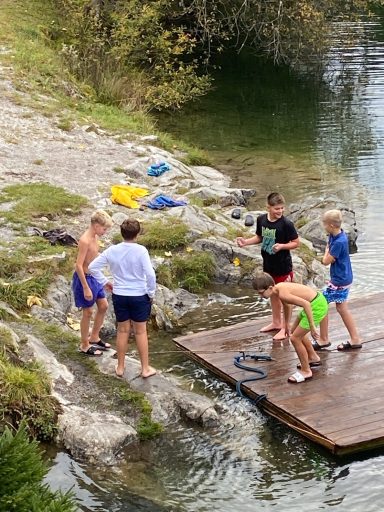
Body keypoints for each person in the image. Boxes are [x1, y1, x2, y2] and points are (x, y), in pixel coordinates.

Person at [88, 219, 156, 378]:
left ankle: (120, 367)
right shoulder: (141, 251)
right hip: (139, 295)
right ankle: (145, 369)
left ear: (121, 233)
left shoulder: (112, 250)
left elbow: (92, 268)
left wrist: (105, 282)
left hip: (120, 295)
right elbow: (150, 275)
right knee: (140, 332)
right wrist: (150, 293)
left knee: (122, 330)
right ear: (137, 234)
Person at [236, 192, 299, 340]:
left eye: (282, 208)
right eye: (277, 209)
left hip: (283, 267)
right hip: (268, 266)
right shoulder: (261, 220)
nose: (280, 211)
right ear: (268, 207)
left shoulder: (286, 224)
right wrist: (246, 242)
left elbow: (296, 243)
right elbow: (259, 237)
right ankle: (276, 323)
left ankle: (285, 328)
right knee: (273, 296)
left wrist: (283, 246)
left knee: (284, 298)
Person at [252, 272, 328, 384]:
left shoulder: (282, 294)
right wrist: (286, 325)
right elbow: (287, 306)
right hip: (316, 301)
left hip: (316, 306)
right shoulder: (279, 288)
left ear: (270, 287)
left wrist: (312, 327)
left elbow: (306, 304)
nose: (261, 296)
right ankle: (313, 357)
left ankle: (306, 371)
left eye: (261, 293)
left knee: (295, 338)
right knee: (294, 332)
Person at [314, 209, 362, 351]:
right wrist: (328, 249)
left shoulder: (339, 242)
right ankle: (355, 339)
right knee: (341, 308)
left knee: (321, 303)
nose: (324, 227)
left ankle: (323, 339)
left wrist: (326, 252)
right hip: (344, 277)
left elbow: (325, 261)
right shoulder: (336, 234)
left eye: (325, 224)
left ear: (332, 225)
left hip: (340, 281)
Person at [73, 210, 113, 356]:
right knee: (88, 311)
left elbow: (94, 261)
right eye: (104, 228)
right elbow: (78, 265)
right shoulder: (85, 240)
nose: (105, 231)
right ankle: (84, 344)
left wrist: (103, 281)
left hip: (95, 277)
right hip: (84, 278)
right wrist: (85, 287)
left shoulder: (95, 237)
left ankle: (94, 337)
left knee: (103, 305)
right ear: (96, 226)